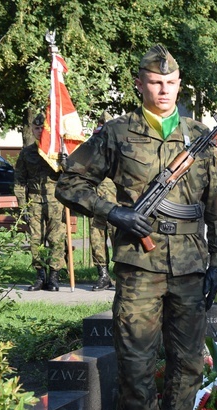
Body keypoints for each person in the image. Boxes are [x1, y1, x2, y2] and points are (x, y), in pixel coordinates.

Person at [55, 44, 217, 410]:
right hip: (140, 266)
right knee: (137, 364)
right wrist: (113, 213)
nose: (162, 90)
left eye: (170, 82)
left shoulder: (199, 137)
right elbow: (69, 183)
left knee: (187, 365)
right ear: (139, 84)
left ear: (179, 85)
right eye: (154, 82)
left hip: (192, 268)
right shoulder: (117, 134)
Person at [14, 113, 66, 292]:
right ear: (32, 129)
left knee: (56, 239)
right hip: (34, 201)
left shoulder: (56, 151)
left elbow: (69, 177)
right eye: (36, 128)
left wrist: (66, 163)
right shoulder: (26, 152)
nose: (39, 131)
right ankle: (40, 276)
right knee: (36, 240)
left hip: (55, 200)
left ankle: (54, 276)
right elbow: (19, 181)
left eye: (42, 128)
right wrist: (23, 207)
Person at [89, 111, 116, 291]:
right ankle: (103, 276)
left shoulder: (121, 148)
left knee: (118, 238)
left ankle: (123, 276)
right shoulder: (90, 149)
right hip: (95, 201)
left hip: (116, 204)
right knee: (96, 238)